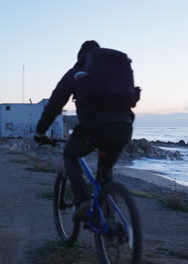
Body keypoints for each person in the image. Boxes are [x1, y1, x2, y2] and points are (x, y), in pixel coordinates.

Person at [34, 40, 138, 221]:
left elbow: (55, 104)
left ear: (80, 56)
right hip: (124, 127)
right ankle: (109, 223)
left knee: (70, 154)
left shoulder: (76, 72)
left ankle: (82, 200)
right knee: (105, 174)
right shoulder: (115, 71)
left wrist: (40, 131)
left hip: (94, 128)